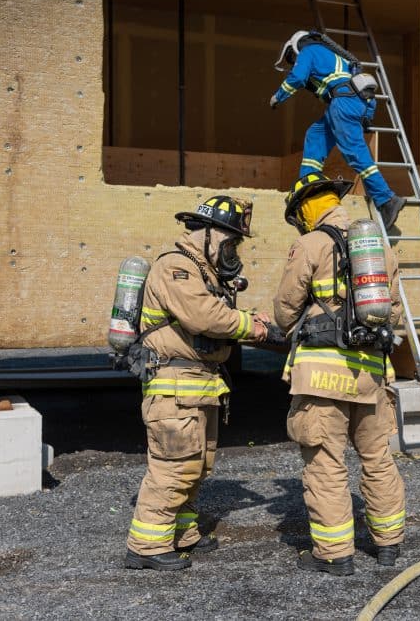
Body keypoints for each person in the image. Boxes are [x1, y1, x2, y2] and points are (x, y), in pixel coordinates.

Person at [124, 195, 270, 571]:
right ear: (206, 233)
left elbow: (215, 313)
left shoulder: (204, 273)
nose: (233, 251)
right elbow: (204, 317)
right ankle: (147, 545)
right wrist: (252, 326)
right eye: (230, 242)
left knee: (196, 465)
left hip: (199, 384)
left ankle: (182, 532)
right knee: (173, 466)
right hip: (174, 385)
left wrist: (254, 317)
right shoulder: (176, 267)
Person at [274, 173, 407, 576]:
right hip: (371, 375)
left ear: (305, 210)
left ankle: (334, 555)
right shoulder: (378, 247)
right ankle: (389, 544)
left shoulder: (310, 244)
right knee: (378, 458)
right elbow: (395, 313)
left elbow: (285, 310)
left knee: (326, 464)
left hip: (321, 378)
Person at [269, 30, 405, 231]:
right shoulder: (336, 58)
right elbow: (364, 88)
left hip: (342, 103)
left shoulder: (309, 51)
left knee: (355, 152)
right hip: (350, 102)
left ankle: (386, 199)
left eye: (291, 57)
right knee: (315, 135)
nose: (293, 61)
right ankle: (309, 185)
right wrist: (366, 115)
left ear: (297, 45)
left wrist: (278, 97)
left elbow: (297, 77)